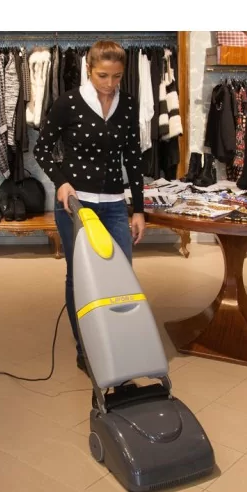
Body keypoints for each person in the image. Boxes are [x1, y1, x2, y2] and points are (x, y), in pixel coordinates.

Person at [34, 40, 145, 375]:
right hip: (76, 206)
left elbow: (133, 157)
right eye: (102, 76)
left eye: (117, 76)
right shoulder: (68, 103)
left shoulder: (128, 104)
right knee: (80, 276)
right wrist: (60, 182)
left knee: (122, 276)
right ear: (89, 69)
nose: (110, 84)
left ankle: (118, 339)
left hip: (114, 205)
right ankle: (86, 347)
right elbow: (42, 149)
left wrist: (138, 209)